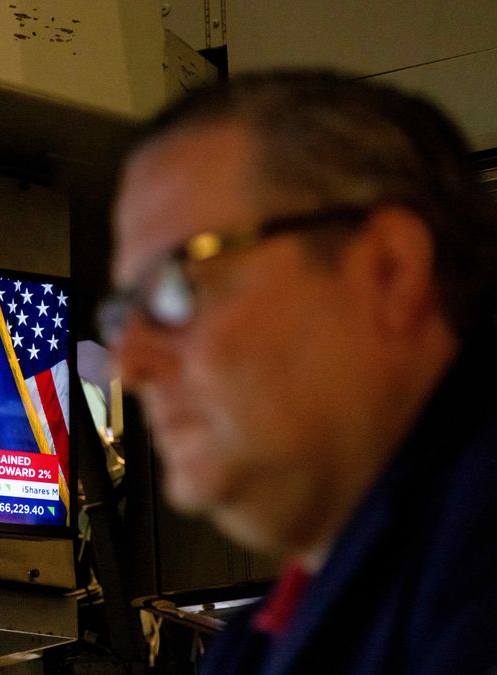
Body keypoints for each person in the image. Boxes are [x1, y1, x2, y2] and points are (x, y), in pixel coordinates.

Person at [98, 70, 497, 674]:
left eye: (177, 286)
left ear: (389, 270)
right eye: (126, 312)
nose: (131, 365)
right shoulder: (252, 651)